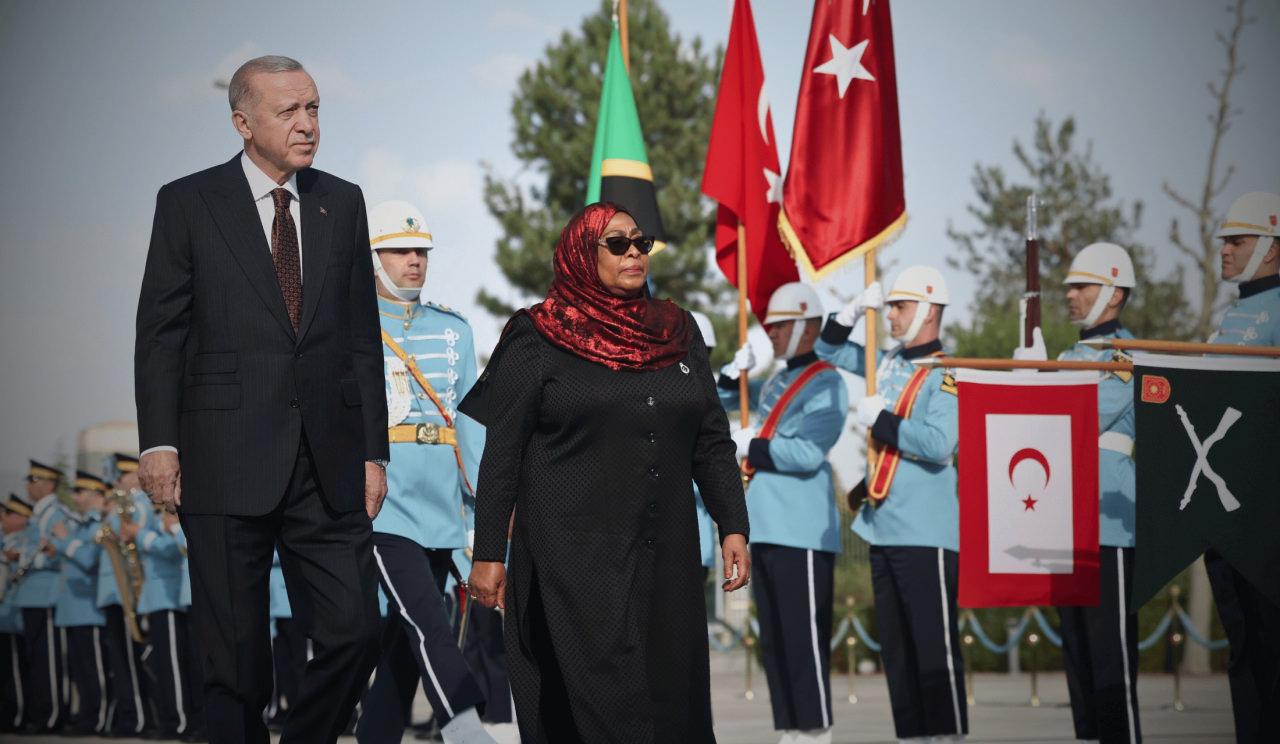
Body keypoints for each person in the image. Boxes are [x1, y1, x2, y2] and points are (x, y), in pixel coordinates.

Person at [133, 54, 388, 744]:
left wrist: (373, 452)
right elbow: (162, 331)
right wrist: (159, 442)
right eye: (289, 112)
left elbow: (362, 336)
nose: (308, 125)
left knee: (355, 633)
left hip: (327, 462)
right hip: (221, 459)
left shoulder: (344, 200)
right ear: (243, 123)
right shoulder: (187, 202)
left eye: (314, 109)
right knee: (234, 668)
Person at [462, 202, 751, 742]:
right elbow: (501, 454)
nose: (634, 253)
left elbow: (711, 440)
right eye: (617, 244)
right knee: (597, 702)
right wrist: (487, 555)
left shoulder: (678, 331)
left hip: (664, 552)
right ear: (581, 254)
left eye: (641, 243)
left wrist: (732, 522)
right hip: (571, 558)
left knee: (672, 694)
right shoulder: (537, 334)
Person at [355, 199, 494, 744]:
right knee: (425, 618)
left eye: (420, 251)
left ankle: (376, 736)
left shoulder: (454, 330)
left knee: (406, 633)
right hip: (383, 500)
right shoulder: (351, 325)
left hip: (441, 503)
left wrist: (486, 504)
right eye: (400, 251)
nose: (414, 260)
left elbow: (470, 423)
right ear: (375, 258)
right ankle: (463, 723)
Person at [816, 266, 967, 742]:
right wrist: (848, 313)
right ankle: (913, 736)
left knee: (934, 648)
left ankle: (947, 735)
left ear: (927, 310)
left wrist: (882, 419)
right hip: (881, 527)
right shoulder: (885, 363)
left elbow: (941, 442)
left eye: (899, 307)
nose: (891, 316)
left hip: (925, 529)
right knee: (898, 654)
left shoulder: (947, 374)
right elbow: (824, 350)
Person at [1016, 242, 1142, 744]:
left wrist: (1038, 381)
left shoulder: (1125, 354)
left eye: (1082, 285)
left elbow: (1084, 412)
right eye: (1069, 285)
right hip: (1064, 521)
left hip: (1108, 522)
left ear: (1112, 294)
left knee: (1112, 664)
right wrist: (1028, 375)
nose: (1069, 294)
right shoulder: (1070, 355)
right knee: (1080, 662)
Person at [718, 283, 847, 744]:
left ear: (809, 327)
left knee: (803, 641)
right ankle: (791, 728)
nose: (770, 332)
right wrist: (735, 375)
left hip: (804, 529)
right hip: (768, 527)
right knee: (775, 641)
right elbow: (718, 403)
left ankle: (814, 730)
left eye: (781, 324)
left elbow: (808, 453)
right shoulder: (773, 381)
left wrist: (753, 444)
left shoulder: (827, 380)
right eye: (770, 324)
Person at [1203, 191, 1280, 743]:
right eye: (1225, 241)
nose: (1225, 251)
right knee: (1246, 654)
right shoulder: (1232, 318)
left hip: (1266, 513)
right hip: (1223, 516)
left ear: (1271, 247)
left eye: (1238, 240)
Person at [48, 471, 111, 736]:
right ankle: (85, 716)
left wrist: (64, 541)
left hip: (89, 609)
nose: (75, 497)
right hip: (72, 609)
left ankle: (97, 718)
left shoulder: (98, 525)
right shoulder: (79, 526)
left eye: (80, 491)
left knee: (94, 670)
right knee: (79, 670)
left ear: (96, 494)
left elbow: (88, 559)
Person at [99, 453, 154, 737]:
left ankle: (141, 717)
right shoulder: (123, 504)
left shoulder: (142, 504)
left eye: (124, 475)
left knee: (134, 660)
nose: (119, 482)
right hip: (114, 592)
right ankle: (132, 716)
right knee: (121, 661)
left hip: (133, 593)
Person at [12, 460, 66, 734]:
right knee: (33, 658)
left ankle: (51, 715)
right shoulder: (38, 514)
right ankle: (37, 713)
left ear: (46, 484)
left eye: (32, 482)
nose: (27, 487)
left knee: (48, 660)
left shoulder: (56, 513)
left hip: (46, 593)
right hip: (30, 594)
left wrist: (31, 558)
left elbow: (59, 553)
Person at [0, 494, 33, 733]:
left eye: (8, 514)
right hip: (6, 613)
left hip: (12, 613)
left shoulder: (24, 539)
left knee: (14, 668)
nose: (3, 519)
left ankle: (20, 714)